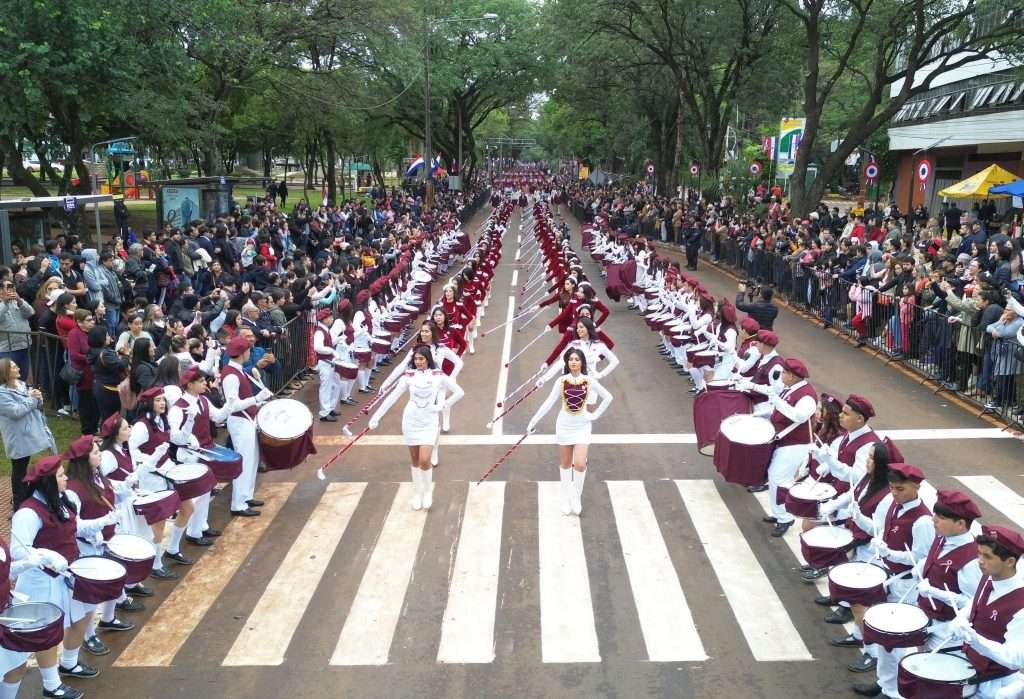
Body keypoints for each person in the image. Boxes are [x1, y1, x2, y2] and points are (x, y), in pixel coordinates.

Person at [11, 455, 119, 696]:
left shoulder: (61, 500)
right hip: (42, 580)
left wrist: (103, 521)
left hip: (68, 572)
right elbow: (19, 550)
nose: (66, 478)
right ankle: (51, 685)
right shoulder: (27, 513)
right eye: (60, 475)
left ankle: (69, 663)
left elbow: (74, 526)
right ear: (48, 482)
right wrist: (47, 555)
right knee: (47, 635)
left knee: (82, 617)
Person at [852, 462, 936, 699]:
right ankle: (885, 683)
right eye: (892, 488)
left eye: (901, 489)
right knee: (884, 640)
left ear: (916, 487)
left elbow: (920, 561)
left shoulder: (922, 521)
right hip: (888, 577)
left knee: (898, 644)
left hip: (905, 585)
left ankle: (896, 692)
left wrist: (890, 553)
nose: (895, 493)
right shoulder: (893, 505)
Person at [62, 435, 137, 657]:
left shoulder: (98, 476)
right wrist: (103, 522)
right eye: (95, 452)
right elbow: (76, 527)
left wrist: (128, 485)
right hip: (86, 548)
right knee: (90, 596)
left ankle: (108, 618)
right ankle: (89, 635)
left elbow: (114, 493)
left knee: (115, 580)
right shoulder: (73, 490)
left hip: (106, 539)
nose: (100, 454)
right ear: (85, 459)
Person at [368, 346, 464, 511]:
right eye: (416, 359)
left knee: (424, 460)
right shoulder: (408, 376)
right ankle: (417, 493)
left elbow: (459, 392)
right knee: (414, 460)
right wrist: (376, 417)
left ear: (428, 359)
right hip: (411, 421)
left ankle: (427, 492)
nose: (418, 362)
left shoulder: (438, 375)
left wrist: (442, 406)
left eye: (421, 359)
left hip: (429, 422)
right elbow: (392, 398)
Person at [527, 348, 613, 516]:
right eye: (571, 359)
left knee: (580, 464)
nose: (573, 362)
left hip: (583, 426)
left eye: (577, 359)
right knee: (566, 464)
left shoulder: (589, 380)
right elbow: (548, 403)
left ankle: (576, 496)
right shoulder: (561, 381)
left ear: (582, 363)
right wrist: (533, 421)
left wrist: (594, 415)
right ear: (567, 362)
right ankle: (565, 497)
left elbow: (608, 397)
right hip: (564, 426)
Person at [953, 525, 1024, 699]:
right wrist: (961, 616)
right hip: (971, 668)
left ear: (1009, 562)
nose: (980, 560)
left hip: (996, 684)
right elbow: (976, 602)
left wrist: (976, 641)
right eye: (979, 553)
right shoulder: (989, 575)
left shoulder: (1021, 604)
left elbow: (1015, 658)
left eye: (987, 556)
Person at [749, 358, 818, 536]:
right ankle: (778, 513)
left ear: (793, 376)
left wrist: (777, 401)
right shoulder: (791, 389)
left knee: (780, 480)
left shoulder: (807, 395)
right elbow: (778, 411)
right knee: (774, 477)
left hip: (796, 444)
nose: (782, 375)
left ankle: (785, 518)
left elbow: (800, 416)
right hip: (784, 441)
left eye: (785, 373)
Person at [167, 367, 229, 546]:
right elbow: (175, 437)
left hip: (205, 452)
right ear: (190, 385)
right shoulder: (178, 409)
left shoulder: (203, 400)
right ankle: (192, 533)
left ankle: (201, 526)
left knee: (205, 492)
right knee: (196, 496)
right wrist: (189, 434)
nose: (205, 384)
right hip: (189, 456)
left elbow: (217, 417)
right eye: (201, 382)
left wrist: (230, 405)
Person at [220, 335, 273, 517]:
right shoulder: (231, 376)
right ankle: (238, 504)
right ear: (243, 352)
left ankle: (246, 496)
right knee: (245, 461)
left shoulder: (238, 370)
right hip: (239, 421)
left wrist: (256, 405)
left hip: (247, 419)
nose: (250, 352)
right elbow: (232, 405)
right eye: (249, 349)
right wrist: (256, 399)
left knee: (252, 459)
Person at [0, 358, 56, 508]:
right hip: (17, 438)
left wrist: (38, 397)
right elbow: (16, 411)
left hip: (30, 434)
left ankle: (26, 496)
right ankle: (19, 503)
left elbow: (37, 405)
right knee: (19, 469)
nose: (17, 367)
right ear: (6, 373)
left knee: (24, 467)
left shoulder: (22, 385)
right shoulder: (1, 394)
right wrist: (32, 399)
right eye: (13, 367)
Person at [313, 308, 341, 422]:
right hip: (325, 363)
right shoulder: (320, 331)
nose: (332, 319)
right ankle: (324, 413)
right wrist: (331, 350)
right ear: (324, 319)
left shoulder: (326, 329)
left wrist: (338, 339)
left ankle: (330, 408)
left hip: (330, 362)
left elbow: (328, 343)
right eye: (330, 317)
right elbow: (318, 347)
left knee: (335, 385)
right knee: (326, 388)